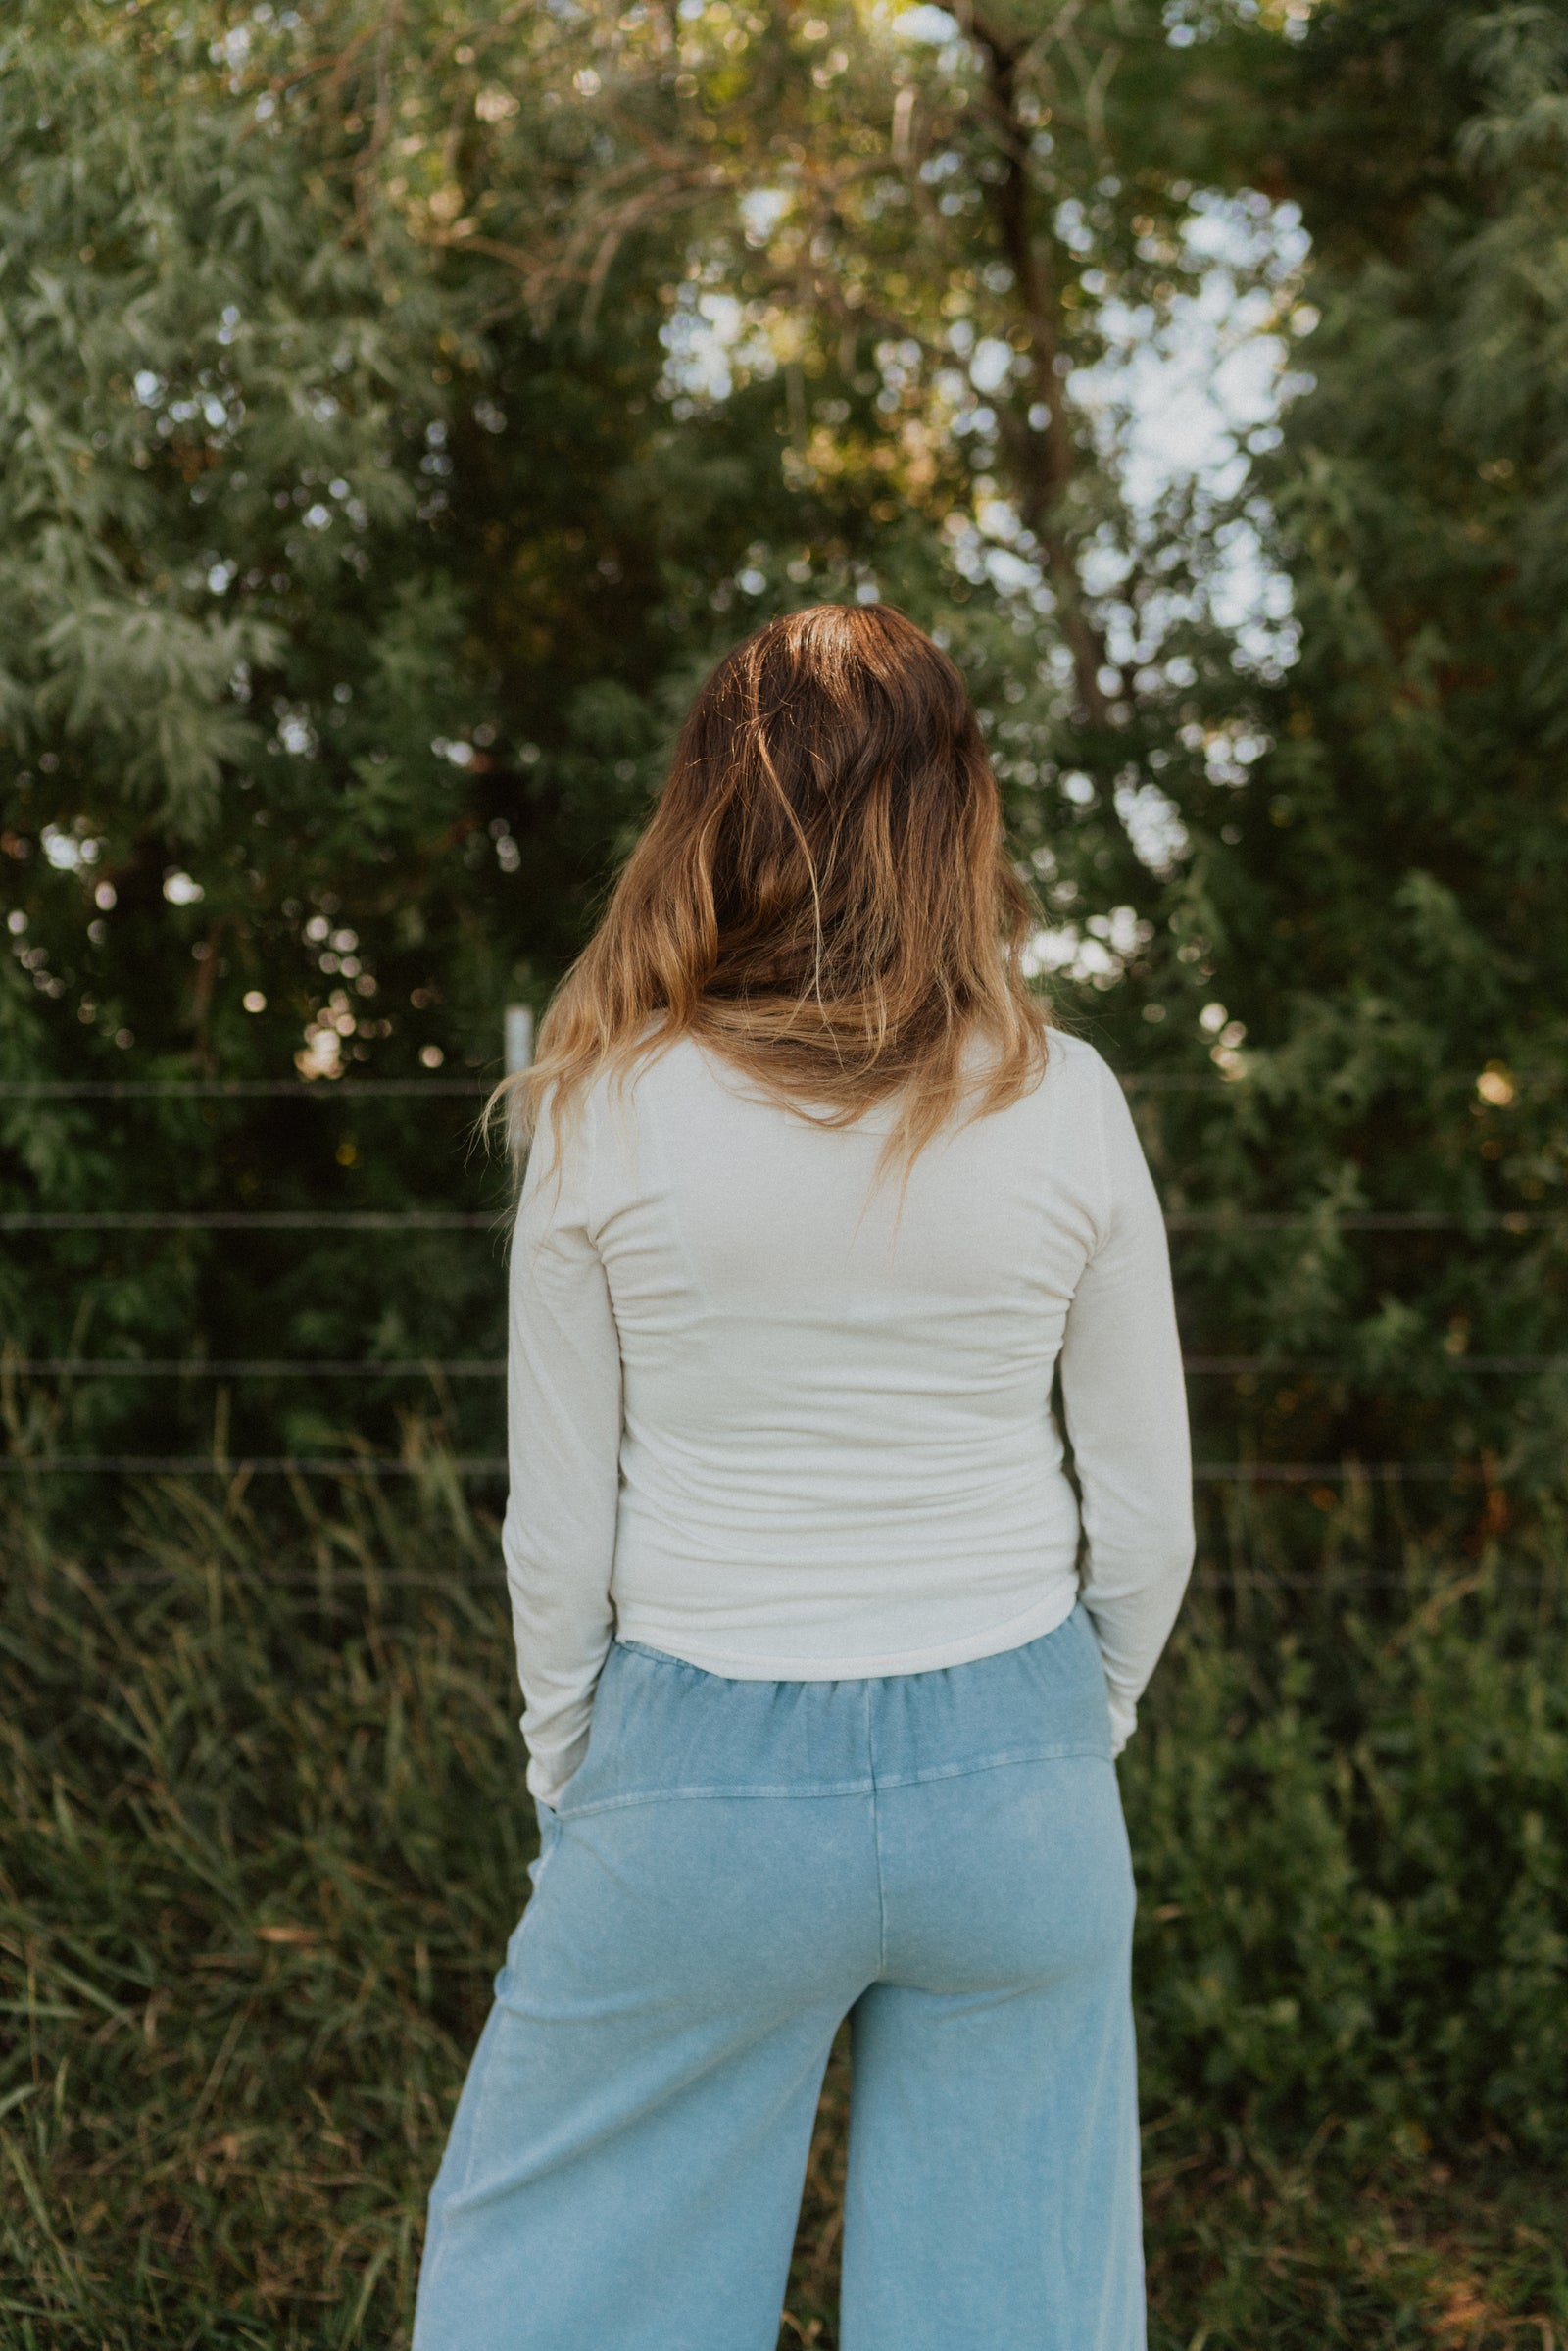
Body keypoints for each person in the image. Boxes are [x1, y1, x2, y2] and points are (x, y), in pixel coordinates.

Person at [413, 603, 1193, 2351]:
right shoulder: (1069, 1097)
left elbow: (558, 1538)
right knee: (1016, 2314)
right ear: (959, 811)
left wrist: (575, 1776)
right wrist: (1067, 1730)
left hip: (699, 1772)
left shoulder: (601, 1104)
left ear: (715, 806)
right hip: (1021, 1772)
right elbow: (1151, 1521)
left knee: (561, 2285)